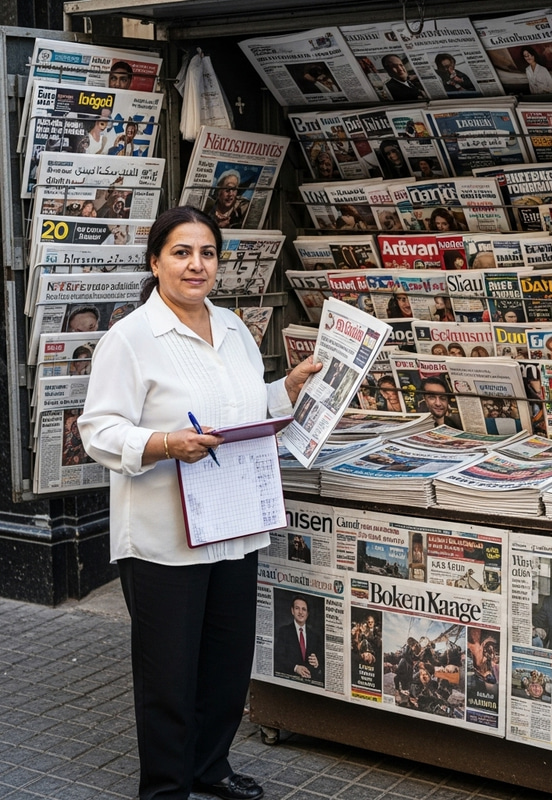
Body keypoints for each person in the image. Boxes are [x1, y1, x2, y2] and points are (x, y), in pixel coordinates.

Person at [77, 206, 321, 800]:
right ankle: (165, 787)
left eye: (207, 253)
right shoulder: (131, 338)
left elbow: (240, 406)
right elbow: (97, 430)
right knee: (168, 673)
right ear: (156, 261)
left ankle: (210, 769)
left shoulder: (234, 328)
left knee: (226, 662)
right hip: (165, 537)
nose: (196, 264)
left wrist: (281, 390)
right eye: (182, 252)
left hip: (234, 521)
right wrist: (163, 443)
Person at [274, 595, 325, 681]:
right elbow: (278, 657)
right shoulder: (284, 631)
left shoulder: (315, 635)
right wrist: (296, 668)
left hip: (310, 681)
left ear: (307, 614)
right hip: (289, 680)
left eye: (304, 609)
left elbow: (321, 660)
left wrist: (317, 663)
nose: (300, 612)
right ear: (292, 611)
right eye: (297, 608)